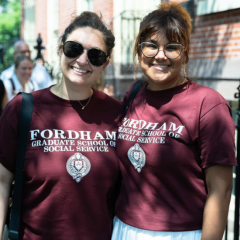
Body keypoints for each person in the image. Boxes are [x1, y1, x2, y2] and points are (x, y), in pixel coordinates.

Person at [112, 2, 237, 240]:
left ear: (185, 53)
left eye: (172, 47)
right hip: (124, 228)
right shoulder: (135, 94)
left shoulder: (208, 104)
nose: (160, 55)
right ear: (139, 50)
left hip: (180, 233)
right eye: (151, 46)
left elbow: (221, 190)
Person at [0, 11, 123, 240]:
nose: (83, 60)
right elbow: (1, 183)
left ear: (104, 64)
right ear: (60, 49)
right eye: (74, 49)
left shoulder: (117, 114)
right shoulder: (22, 109)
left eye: (95, 55)